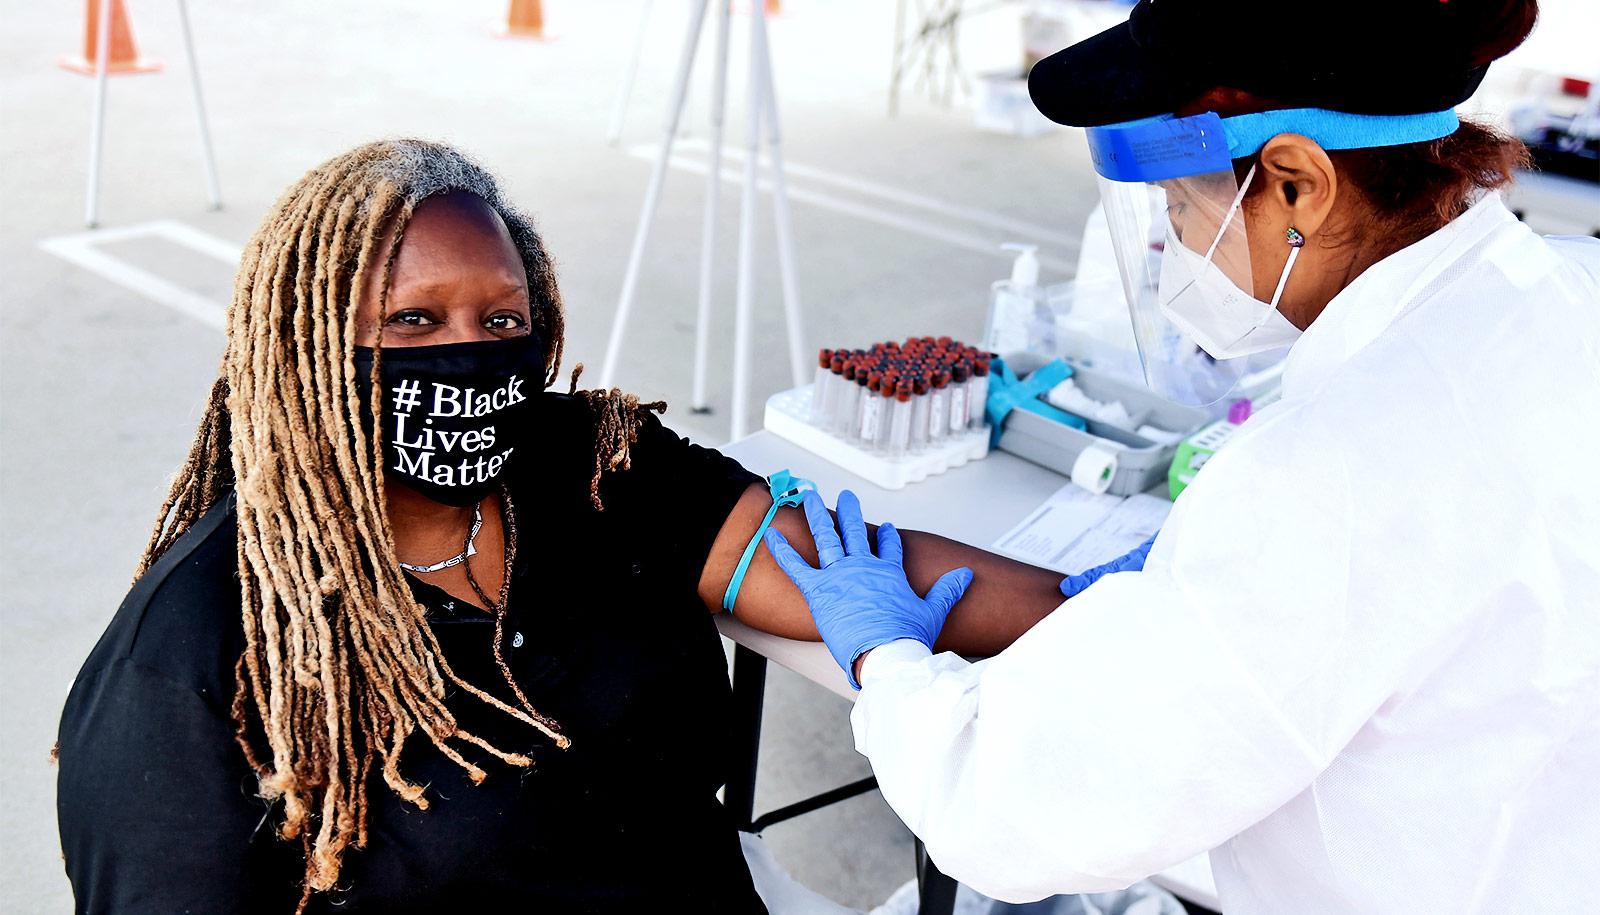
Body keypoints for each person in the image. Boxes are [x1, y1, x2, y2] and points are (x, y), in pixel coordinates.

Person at [54, 139, 1072, 914]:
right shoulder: (194, 663)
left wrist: (1139, 604)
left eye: (502, 322)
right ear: (301, 350)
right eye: (412, 322)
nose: (469, 356)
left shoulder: (594, 469)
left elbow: (856, 569)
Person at [765, 1, 1600, 912]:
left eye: (1179, 204)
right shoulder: (1571, 290)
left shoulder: (1328, 477)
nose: (1177, 240)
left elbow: (1009, 808)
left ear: (1295, 185)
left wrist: (887, 661)